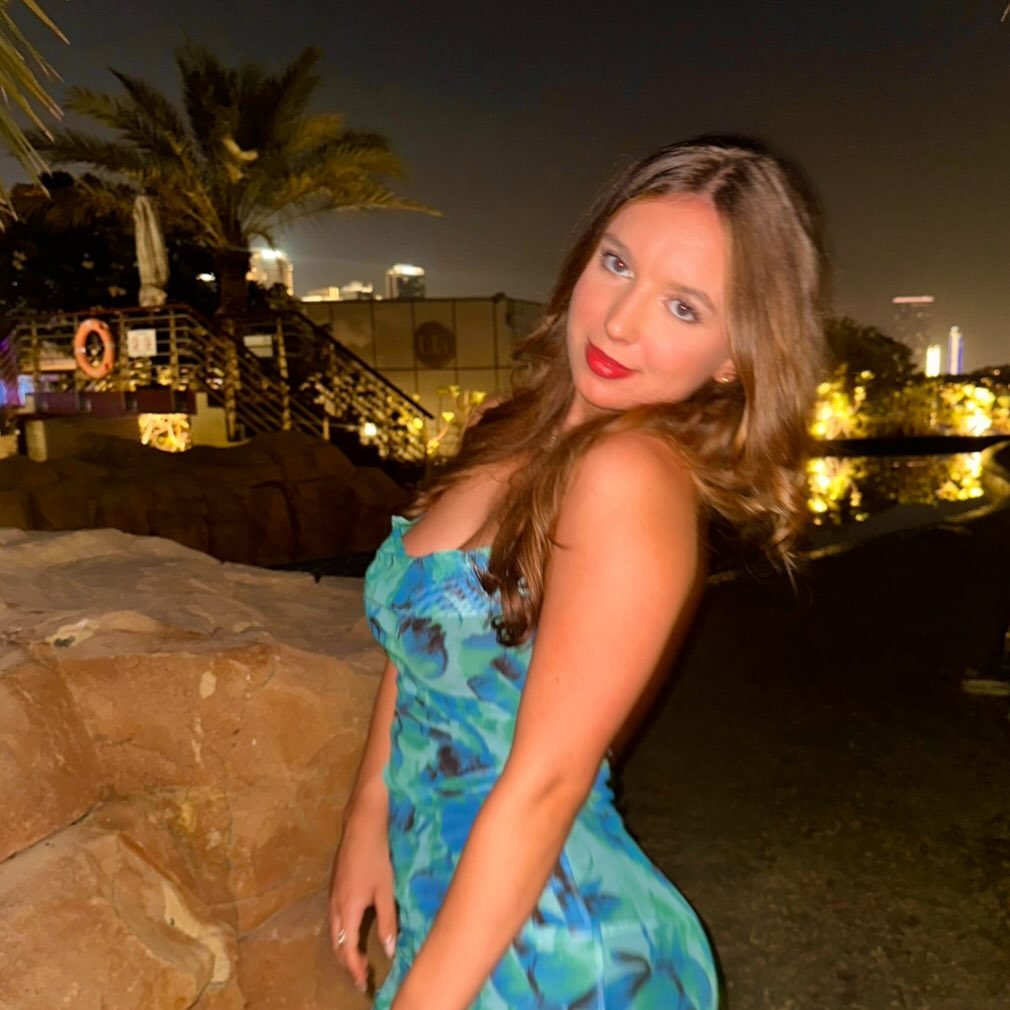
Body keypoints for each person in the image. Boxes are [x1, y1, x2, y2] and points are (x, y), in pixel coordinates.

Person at [329, 136, 826, 1010]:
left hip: (556, 954)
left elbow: (547, 784)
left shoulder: (629, 479)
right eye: (617, 263)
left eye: (683, 307)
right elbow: (419, 643)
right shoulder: (507, 430)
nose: (621, 321)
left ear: (734, 355)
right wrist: (368, 809)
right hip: (455, 908)